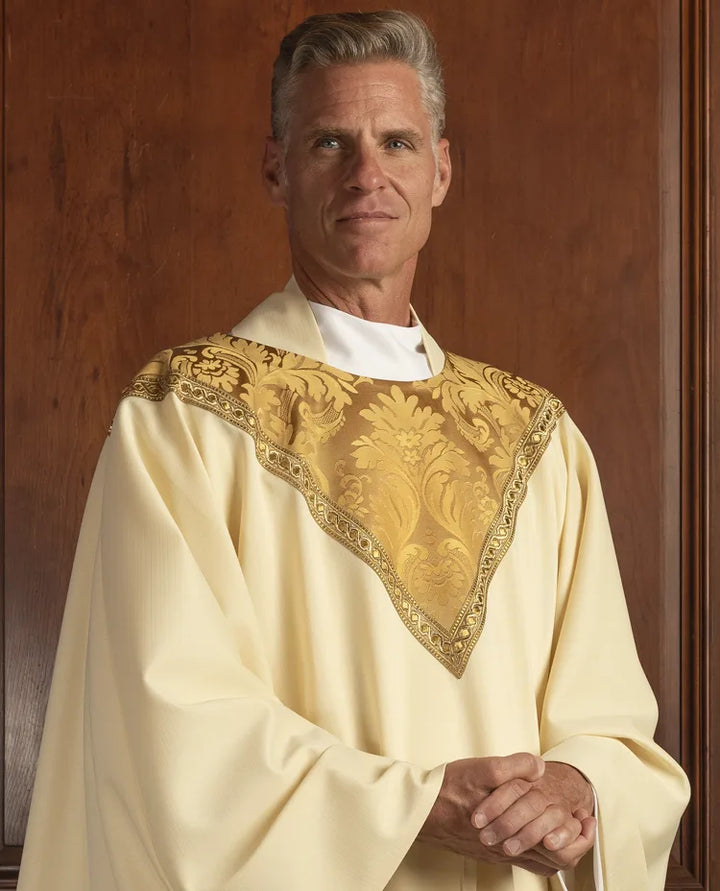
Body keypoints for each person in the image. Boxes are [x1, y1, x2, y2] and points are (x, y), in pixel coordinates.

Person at [18, 10, 689, 891]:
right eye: (331, 143)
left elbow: (610, 722)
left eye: (399, 142)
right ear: (276, 169)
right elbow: (172, 732)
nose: (369, 175)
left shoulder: (538, 439)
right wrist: (411, 802)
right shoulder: (183, 422)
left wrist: (578, 787)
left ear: (442, 169)